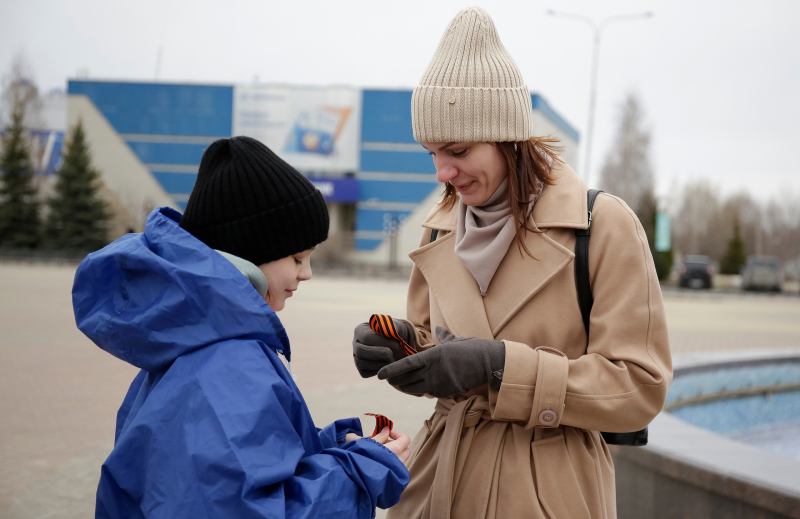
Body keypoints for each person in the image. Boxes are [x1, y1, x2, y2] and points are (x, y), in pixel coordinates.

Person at [351, 7, 672, 519]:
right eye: (430, 153)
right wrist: (401, 345)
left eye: (456, 149)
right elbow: (445, 343)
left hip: (548, 490)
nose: (442, 172)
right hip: (438, 483)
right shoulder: (439, 226)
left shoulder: (601, 225)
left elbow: (637, 387)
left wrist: (500, 366)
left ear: (507, 138)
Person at [73, 136, 410, 519]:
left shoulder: (202, 337)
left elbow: (234, 469)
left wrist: (328, 449)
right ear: (247, 254)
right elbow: (247, 509)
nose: (307, 273)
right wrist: (361, 472)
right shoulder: (227, 361)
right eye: (297, 257)